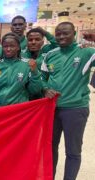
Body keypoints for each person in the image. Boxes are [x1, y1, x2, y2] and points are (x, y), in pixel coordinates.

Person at [41, 22, 95, 180]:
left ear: (74, 34)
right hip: (52, 109)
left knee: (72, 151)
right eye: (58, 34)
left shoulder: (86, 53)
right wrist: (45, 89)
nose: (61, 37)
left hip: (75, 109)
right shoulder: (50, 55)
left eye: (66, 33)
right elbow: (42, 78)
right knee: (51, 148)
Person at [0, 33, 42, 108]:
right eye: (5, 46)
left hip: (18, 112)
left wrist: (35, 72)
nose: (8, 49)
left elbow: (35, 90)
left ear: (18, 47)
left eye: (12, 46)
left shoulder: (28, 65)